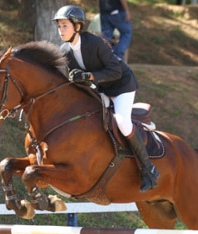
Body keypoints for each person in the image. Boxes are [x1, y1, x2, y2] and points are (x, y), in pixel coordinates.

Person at [52, 5, 159, 192]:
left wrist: (89, 76)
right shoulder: (64, 49)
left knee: (122, 121)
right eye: (59, 26)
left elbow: (116, 71)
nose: (61, 31)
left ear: (77, 26)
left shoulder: (94, 43)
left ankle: (148, 169)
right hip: (100, 88)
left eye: (64, 26)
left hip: (122, 86)